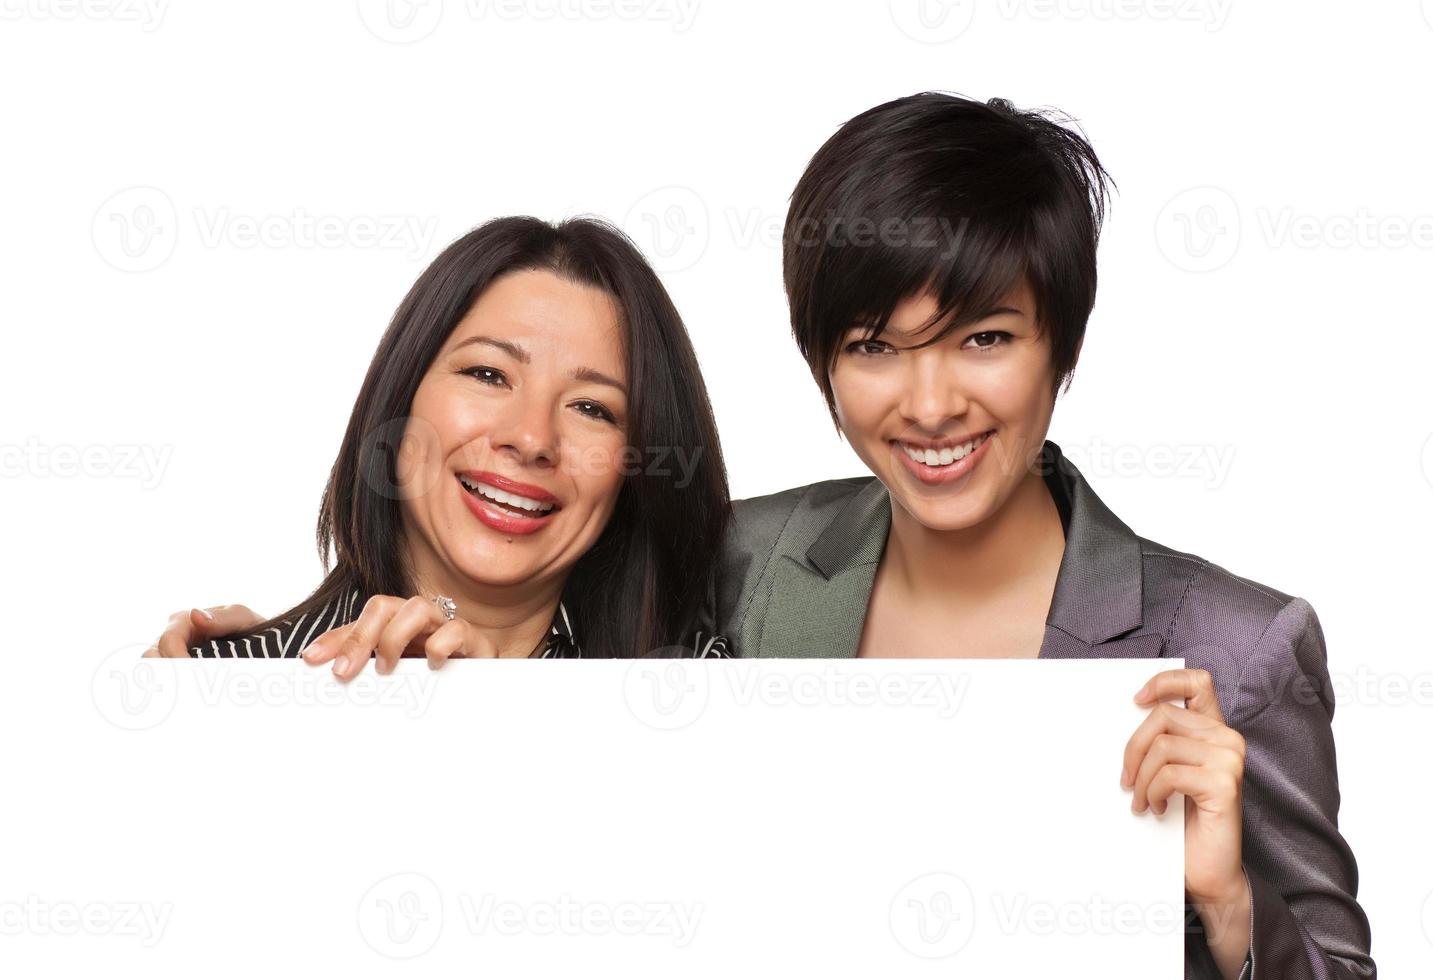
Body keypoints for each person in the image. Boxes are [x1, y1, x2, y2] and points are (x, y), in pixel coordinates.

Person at [149, 94, 1374, 979]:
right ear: (822, 366)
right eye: (873, 348)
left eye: (986, 338)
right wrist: (242, 712)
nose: (931, 401)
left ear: (1063, 348)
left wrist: (1227, 909)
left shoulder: (1236, 643)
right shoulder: (727, 582)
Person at [147, 215, 732, 671]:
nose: (531, 439)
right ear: (401, 396)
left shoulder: (709, 691)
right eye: (487, 374)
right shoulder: (216, 685)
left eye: (592, 408)